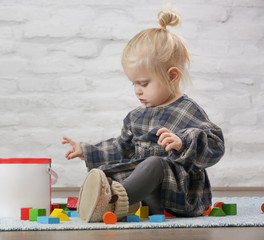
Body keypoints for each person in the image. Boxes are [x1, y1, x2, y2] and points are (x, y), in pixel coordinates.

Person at [62, 6, 225, 222]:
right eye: (134, 84)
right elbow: (122, 147)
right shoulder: (136, 116)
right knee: (114, 169)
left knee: (154, 163)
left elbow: (215, 146)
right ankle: (111, 198)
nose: (137, 90)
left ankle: (114, 201)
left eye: (144, 83)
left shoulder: (187, 109)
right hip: (146, 195)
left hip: (179, 195)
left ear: (172, 76)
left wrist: (182, 143)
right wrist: (87, 151)